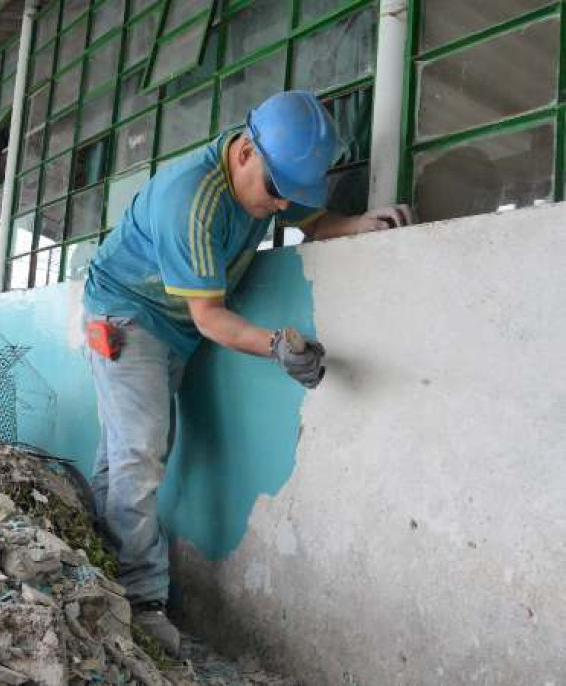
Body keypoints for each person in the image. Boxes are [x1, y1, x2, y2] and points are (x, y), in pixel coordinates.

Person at [81, 90, 413, 655]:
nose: (282, 206)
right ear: (243, 154)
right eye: (277, 192)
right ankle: (140, 604)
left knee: (127, 454)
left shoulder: (271, 178)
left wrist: (357, 223)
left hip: (172, 325)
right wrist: (279, 345)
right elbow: (210, 318)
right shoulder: (192, 200)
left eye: (291, 194)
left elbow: (315, 219)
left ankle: (88, 571)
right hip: (126, 317)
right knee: (139, 451)